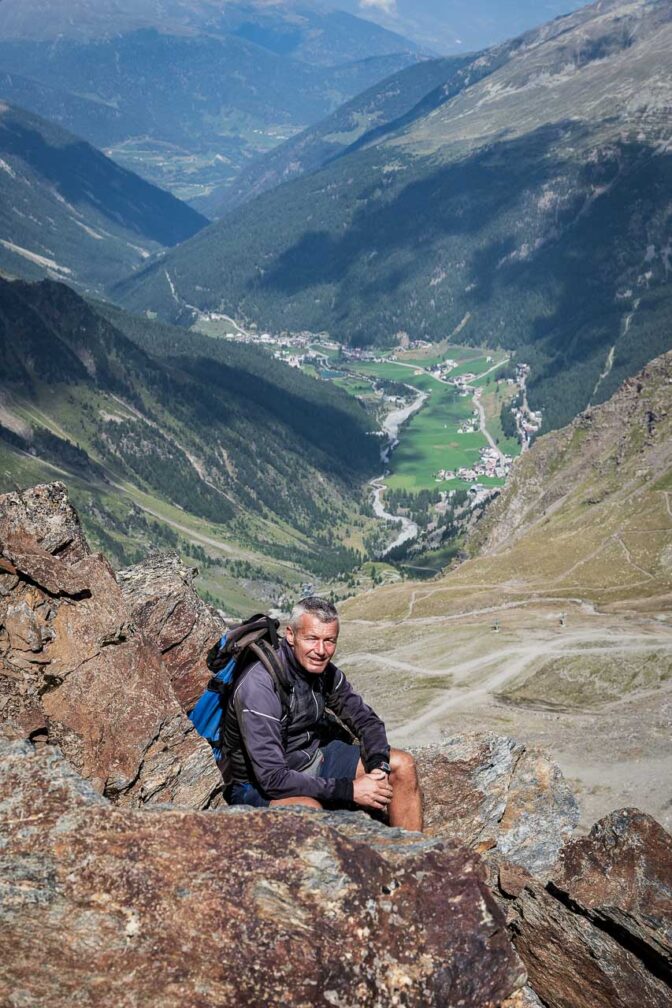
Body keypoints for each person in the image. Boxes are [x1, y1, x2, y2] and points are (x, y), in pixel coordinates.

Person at [224, 596, 423, 831]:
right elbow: (272, 779)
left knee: (402, 765)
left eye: (329, 641)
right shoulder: (259, 687)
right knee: (309, 812)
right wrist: (351, 790)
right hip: (256, 784)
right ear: (291, 635)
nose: (321, 650)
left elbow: (366, 720)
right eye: (312, 639)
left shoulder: (324, 672)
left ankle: (410, 857)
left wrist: (378, 766)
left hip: (312, 759)